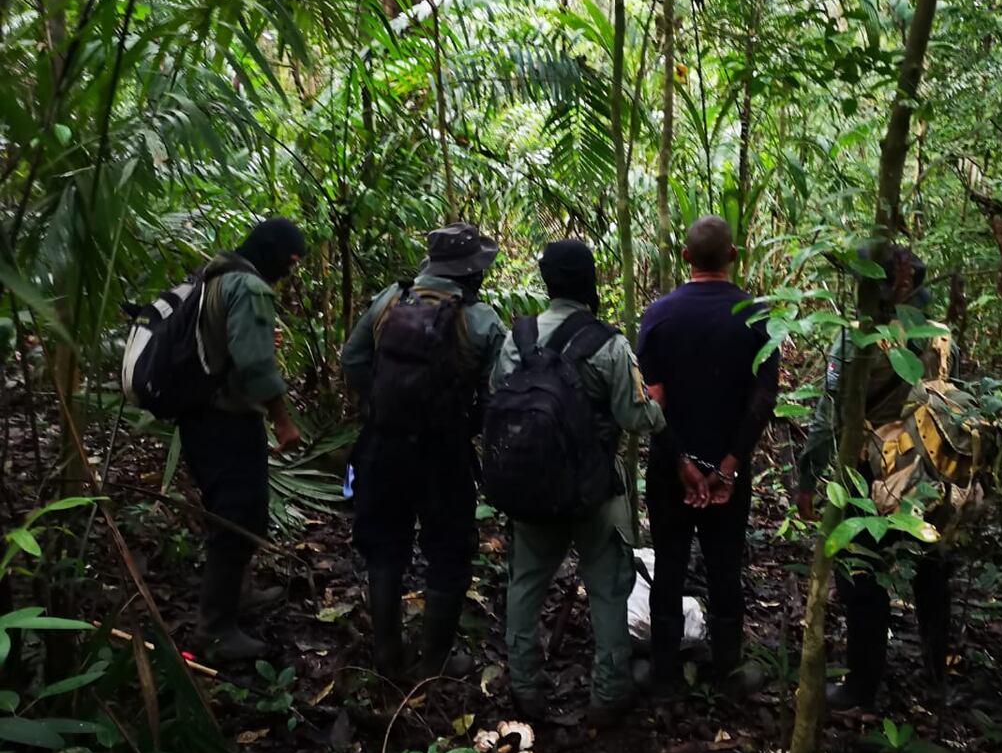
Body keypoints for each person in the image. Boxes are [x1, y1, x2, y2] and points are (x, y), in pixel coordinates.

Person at [492, 240, 665, 726]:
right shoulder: (608, 344)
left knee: (525, 586)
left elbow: (497, 395)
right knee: (608, 590)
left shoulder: (518, 338)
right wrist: (658, 408)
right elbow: (637, 418)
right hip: (594, 493)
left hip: (530, 488)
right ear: (590, 282)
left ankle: (525, 688)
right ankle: (608, 694)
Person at [796, 246, 959, 710]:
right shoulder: (941, 336)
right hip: (931, 474)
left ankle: (861, 686)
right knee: (931, 573)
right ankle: (937, 674)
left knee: (861, 576)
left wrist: (807, 479)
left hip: (871, 475)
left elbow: (829, 416)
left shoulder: (856, 341)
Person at [342, 222, 506, 680]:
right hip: (443, 451)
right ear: (470, 273)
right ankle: (434, 661)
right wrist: (471, 425)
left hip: (382, 443)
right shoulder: (481, 320)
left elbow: (352, 360)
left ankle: (386, 652)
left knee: (384, 544)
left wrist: (379, 403)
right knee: (449, 550)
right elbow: (499, 391)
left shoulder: (388, 301)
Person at [637, 216, 781, 696]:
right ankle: (727, 669)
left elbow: (653, 400)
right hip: (727, 474)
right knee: (725, 566)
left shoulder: (658, 315)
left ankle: (663, 674)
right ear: (733, 256)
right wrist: (729, 466)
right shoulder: (757, 317)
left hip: (669, 470)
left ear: (685, 257)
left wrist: (681, 463)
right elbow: (763, 398)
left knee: (670, 564)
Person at [182, 217, 306, 661]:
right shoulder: (249, 286)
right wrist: (283, 420)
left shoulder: (212, 275)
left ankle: (240, 594)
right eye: (291, 261)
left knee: (226, 510)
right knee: (240, 516)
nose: (290, 271)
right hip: (228, 420)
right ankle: (214, 630)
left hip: (199, 416)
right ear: (273, 251)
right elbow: (254, 365)